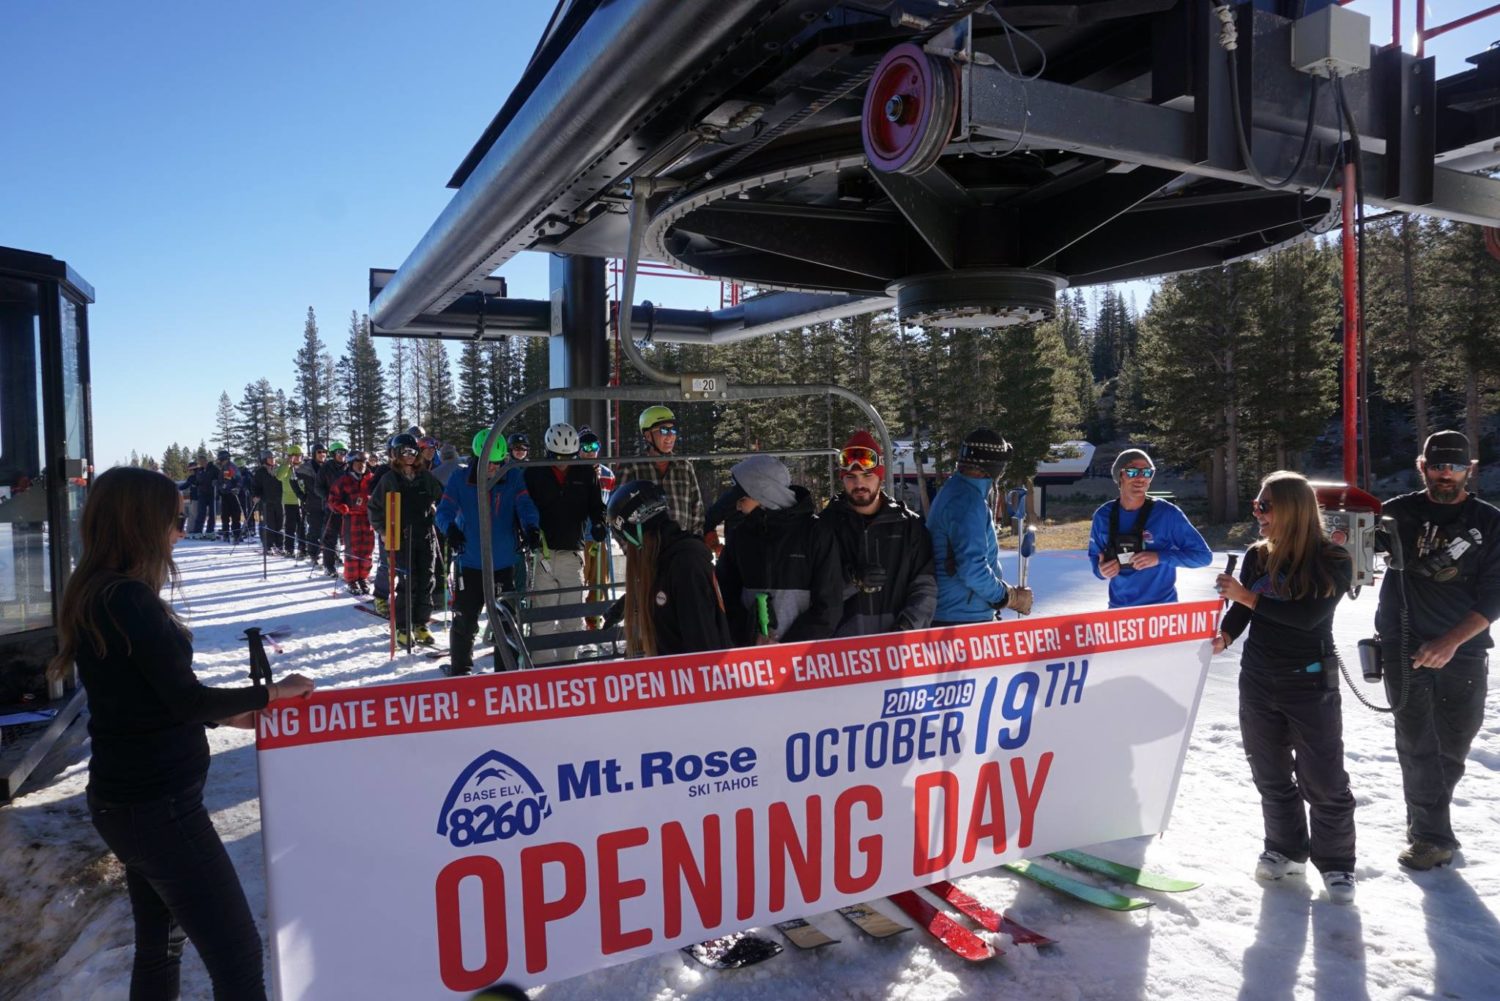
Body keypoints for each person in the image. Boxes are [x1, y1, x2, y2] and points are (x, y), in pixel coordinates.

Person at [47, 466, 314, 1000]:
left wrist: (223, 714)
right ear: (141, 523)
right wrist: (274, 693)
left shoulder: (99, 592)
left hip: (129, 802)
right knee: (237, 957)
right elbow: (183, 697)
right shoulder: (128, 599)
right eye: (175, 518)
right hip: (158, 808)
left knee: (161, 946)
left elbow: (146, 696)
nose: (182, 531)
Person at [1214, 470, 1357, 903]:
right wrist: (1226, 634)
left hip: (1309, 682)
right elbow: (1243, 613)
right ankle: (1284, 848)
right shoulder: (1257, 557)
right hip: (1258, 679)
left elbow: (1307, 617)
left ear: (1292, 509)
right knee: (1271, 774)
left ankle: (1336, 865)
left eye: (1264, 505)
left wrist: (1247, 598)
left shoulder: (1334, 560)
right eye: (1257, 505)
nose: (1257, 513)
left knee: (1324, 780)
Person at [1375, 430, 1500, 871]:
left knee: (1455, 742)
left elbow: (1494, 595)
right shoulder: (1394, 513)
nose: (1445, 473)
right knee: (1416, 742)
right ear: (1421, 466)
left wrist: (1449, 642)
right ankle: (1430, 837)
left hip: (1463, 649)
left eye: (1454, 465)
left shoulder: (1489, 521)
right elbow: (1350, 552)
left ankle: (1431, 823)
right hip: (1402, 645)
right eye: (1437, 464)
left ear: (1470, 469)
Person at [434, 430, 541, 674]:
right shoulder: (460, 479)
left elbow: (525, 506)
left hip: (503, 562)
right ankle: (461, 669)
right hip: (470, 562)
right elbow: (444, 510)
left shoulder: (512, 477)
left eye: (498, 463)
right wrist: (450, 528)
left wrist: (532, 528)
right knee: (465, 620)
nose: (494, 469)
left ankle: (506, 671)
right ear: (477, 458)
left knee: (506, 622)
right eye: (489, 463)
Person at [715, 454, 842, 646]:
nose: (738, 505)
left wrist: (788, 647)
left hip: (804, 659)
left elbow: (829, 606)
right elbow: (725, 596)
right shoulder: (740, 536)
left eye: (743, 497)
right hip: (752, 657)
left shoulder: (815, 534)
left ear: (764, 495)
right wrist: (748, 636)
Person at [823, 430, 937, 636]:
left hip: (896, 648)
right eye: (851, 477)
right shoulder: (825, 527)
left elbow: (925, 587)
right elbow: (815, 593)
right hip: (841, 651)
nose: (859, 484)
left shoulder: (909, 526)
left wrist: (906, 628)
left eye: (867, 475)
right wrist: (851, 581)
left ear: (880, 477)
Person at [607, 480, 732, 657]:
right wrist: (623, 606)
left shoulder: (685, 564)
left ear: (637, 534)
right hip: (671, 676)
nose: (625, 547)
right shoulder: (665, 560)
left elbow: (702, 643)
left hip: (692, 679)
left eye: (625, 540)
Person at [928, 428, 1033, 624]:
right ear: (996, 467)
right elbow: (972, 569)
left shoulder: (955, 490)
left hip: (954, 611)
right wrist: (1009, 597)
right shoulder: (968, 502)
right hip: (961, 618)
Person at [523, 422, 608, 664]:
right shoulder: (534, 473)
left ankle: (569, 665)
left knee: (572, 614)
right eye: (559, 457)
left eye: (569, 457)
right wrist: (526, 532)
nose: (564, 463)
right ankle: (543, 667)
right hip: (543, 553)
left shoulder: (585, 473)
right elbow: (522, 506)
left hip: (573, 552)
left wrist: (599, 523)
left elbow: (596, 506)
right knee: (544, 615)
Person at [1088, 448, 1212, 607]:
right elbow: (1094, 556)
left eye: (1147, 473)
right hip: (1118, 612)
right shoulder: (1103, 516)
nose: (1141, 478)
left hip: (1161, 613)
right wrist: (1101, 571)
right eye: (1133, 472)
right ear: (1120, 476)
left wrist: (1159, 557)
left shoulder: (1167, 513)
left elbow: (1203, 557)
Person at [370, 432, 445, 647]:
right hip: (401, 538)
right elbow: (374, 508)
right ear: (395, 454)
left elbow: (443, 497)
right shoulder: (389, 479)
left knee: (426, 580)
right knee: (407, 582)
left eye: (413, 452)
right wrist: (383, 530)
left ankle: (421, 623)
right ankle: (403, 627)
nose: (410, 456)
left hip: (425, 536)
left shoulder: (425, 477)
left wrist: (441, 513)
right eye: (404, 452)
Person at [624, 405, 707, 537]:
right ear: (648, 436)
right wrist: (632, 550)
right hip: (646, 550)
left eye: (673, 430)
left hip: (681, 548)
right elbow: (616, 514)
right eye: (663, 430)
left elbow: (696, 509)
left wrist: (695, 542)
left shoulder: (685, 466)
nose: (670, 436)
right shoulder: (631, 468)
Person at [328, 450, 377, 596]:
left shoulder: (372, 479)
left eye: (363, 463)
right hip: (351, 518)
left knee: (367, 549)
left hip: (368, 518)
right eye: (358, 463)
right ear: (350, 464)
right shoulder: (343, 481)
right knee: (353, 550)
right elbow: (332, 500)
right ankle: (352, 579)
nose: (361, 466)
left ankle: (363, 577)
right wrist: (339, 507)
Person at [316, 442, 349, 578]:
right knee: (331, 535)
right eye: (339, 453)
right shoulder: (326, 468)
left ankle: (348, 565)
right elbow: (318, 487)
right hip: (332, 507)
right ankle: (328, 565)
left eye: (344, 453)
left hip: (347, 507)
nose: (342, 456)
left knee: (347, 536)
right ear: (333, 454)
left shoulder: (349, 467)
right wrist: (329, 498)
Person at [250, 451, 284, 557]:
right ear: (264, 459)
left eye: (273, 457)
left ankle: (279, 545)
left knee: (279, 524)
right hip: (266, 502)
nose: (273, 459)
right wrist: (256, 495)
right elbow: (256, 486)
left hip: (279, 501)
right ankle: (268, 546)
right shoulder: (260, 472)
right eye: (270, 458)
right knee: (269, 525)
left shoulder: (278, 470)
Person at [298, 443, 328, 566]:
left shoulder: (328, 466)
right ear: (314, 454)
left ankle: (330, 553)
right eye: (319, 452)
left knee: (328, 530)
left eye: (324, 452)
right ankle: (313, 553)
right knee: (315, 530)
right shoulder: (305, 467)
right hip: (313, 503)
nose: (322, 454)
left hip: (327, 502)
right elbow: (294, 482)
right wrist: (302, 496)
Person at [278, 445, 307, 558]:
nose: (296, 458)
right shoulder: (285, 468)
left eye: (299, 456)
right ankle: (289, 548)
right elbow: (279, 477)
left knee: (302, 527)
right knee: (290, 526)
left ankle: (302, 548)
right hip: (289, 501)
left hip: (303, 500)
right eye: (293, 456)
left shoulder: (304, 467)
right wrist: (287, 464)